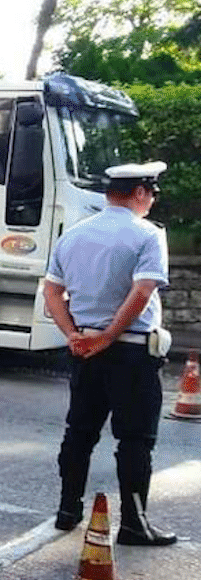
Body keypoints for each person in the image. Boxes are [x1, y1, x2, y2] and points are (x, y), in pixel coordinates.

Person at [42, 161, 177, 546]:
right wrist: (111, 334)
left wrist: (73, 334)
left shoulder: (75, 235)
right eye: (151, 193)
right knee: (135, 439)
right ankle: (134, 524)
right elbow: (143, 290)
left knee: (79, 432)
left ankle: (68, 511)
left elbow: (52, 292)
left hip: (84, 349)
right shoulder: (148, 235)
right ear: (139, 193)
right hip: (132, 351)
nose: (151, 201)